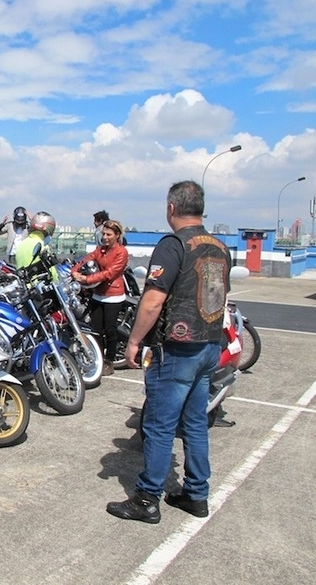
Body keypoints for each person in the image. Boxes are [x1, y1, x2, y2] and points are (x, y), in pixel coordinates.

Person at [106, 180, 231, 524]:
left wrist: (133, 341)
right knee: (194, 424)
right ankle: (196, 494)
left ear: (171, 208)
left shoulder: (174, 245)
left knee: (159, 426)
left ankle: (147, 498)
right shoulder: (220, 246)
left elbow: (154, 299)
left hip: (177, 349)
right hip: (209, 346)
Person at [71, 219, 129, 376]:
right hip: (98, 294)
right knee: (95, 329)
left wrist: (87, 280)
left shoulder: (121, 252)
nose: (105, 237)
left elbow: (110, 273)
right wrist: (75, 271)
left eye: (109, 234)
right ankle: (99, 358)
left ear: (117, 235)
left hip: (113, 296)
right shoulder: (100, 250)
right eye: (103, 233)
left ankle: (109, 361)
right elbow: (86, 259)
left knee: (110, 329)